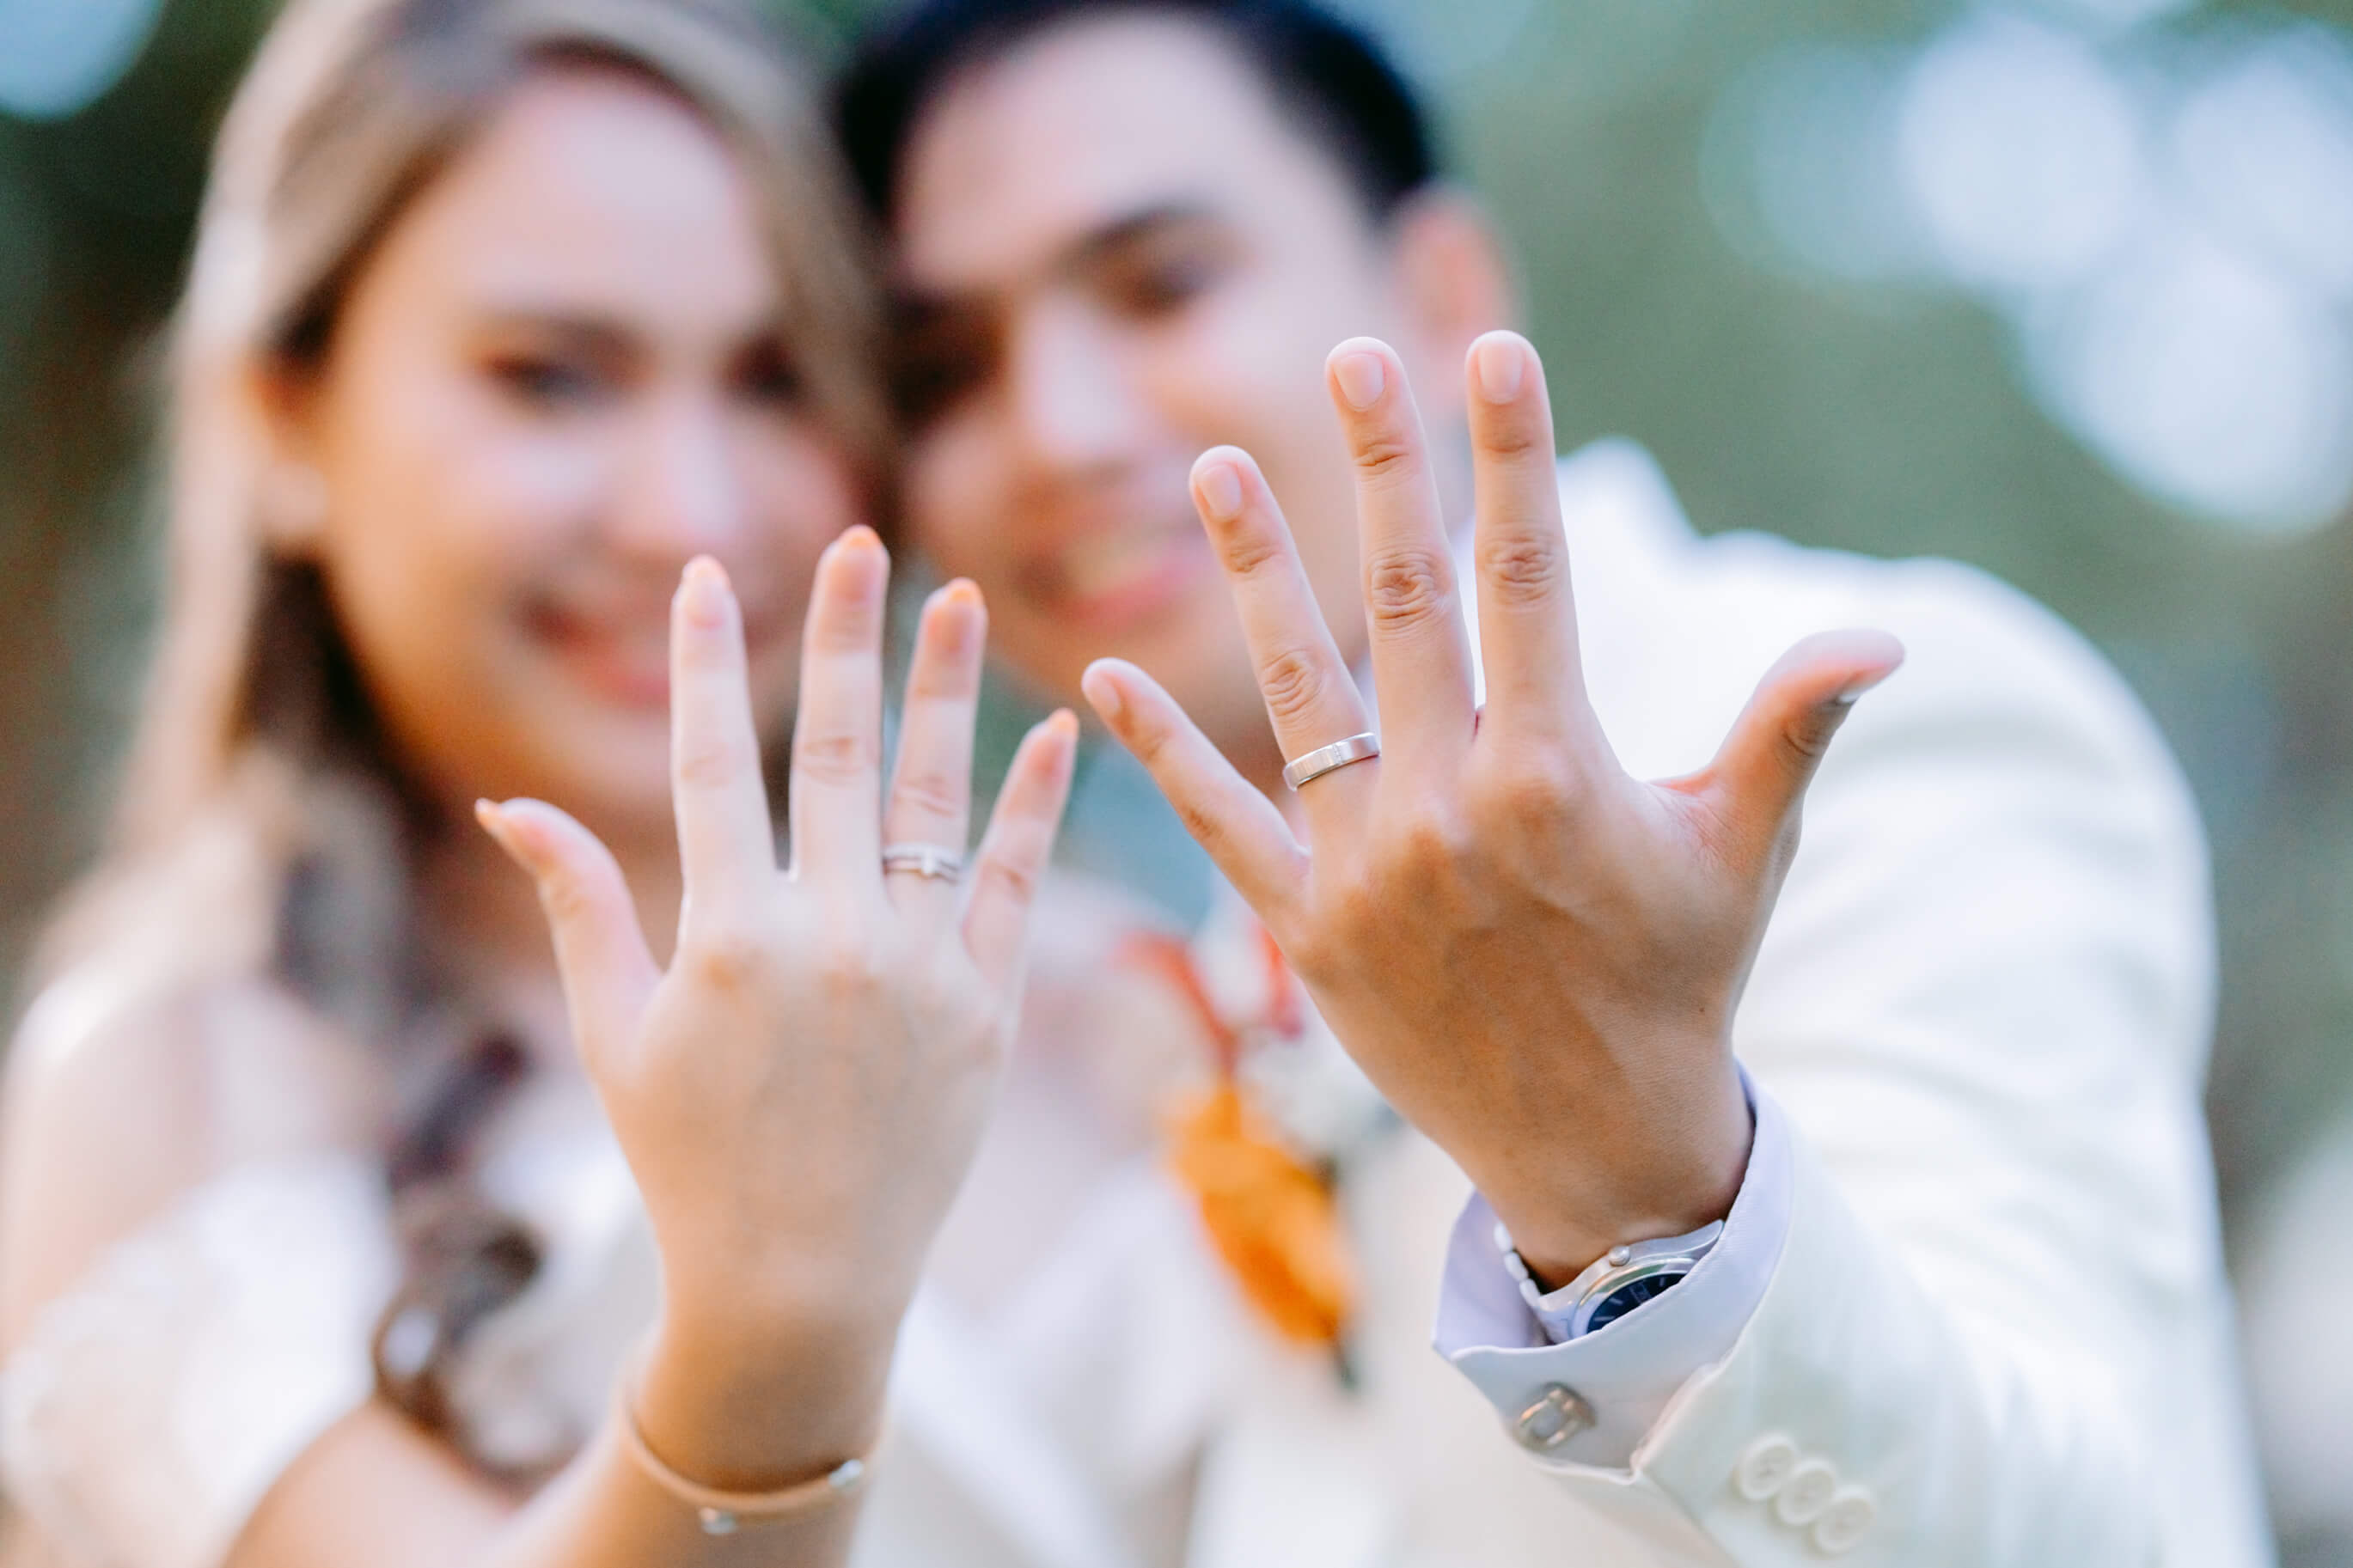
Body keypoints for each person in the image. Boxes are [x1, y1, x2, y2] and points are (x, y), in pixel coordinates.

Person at [837, 0, 2277, 1560]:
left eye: (1162, 283)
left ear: (1446, 294)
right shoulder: (1181, 974)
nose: (1051, 429)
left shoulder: (1875, 722)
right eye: (944, 367)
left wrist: (1632, 1200)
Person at [0, 2, 1079, 1565]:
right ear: (283, 419)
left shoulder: (1110, 1015)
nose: (687, 512)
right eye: (551, 378)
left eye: (779, 381)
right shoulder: (175, 1080)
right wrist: (768, 1335)